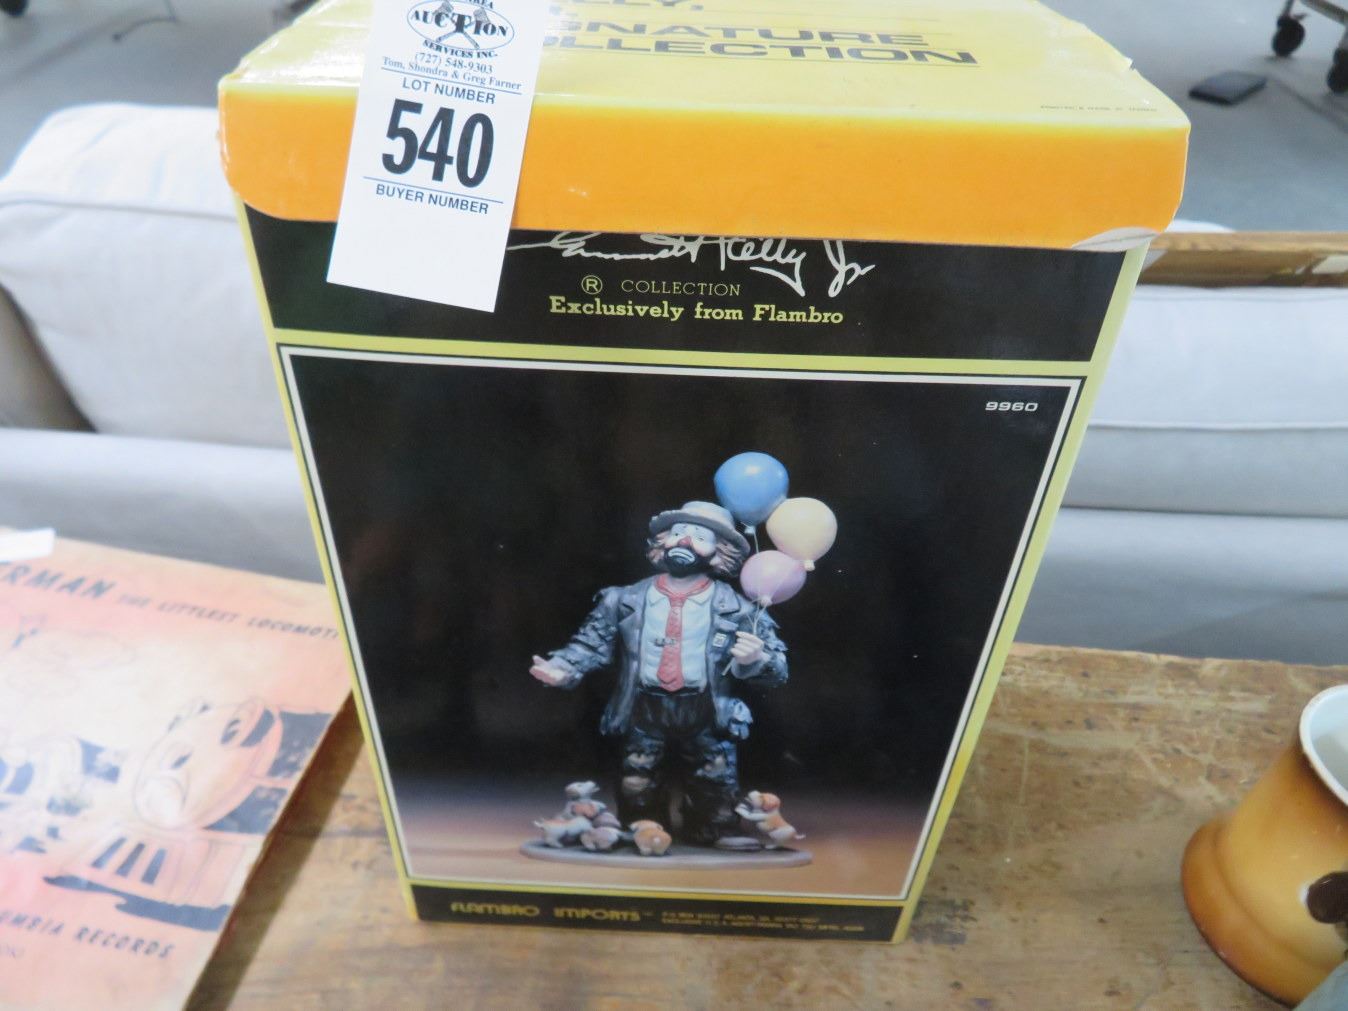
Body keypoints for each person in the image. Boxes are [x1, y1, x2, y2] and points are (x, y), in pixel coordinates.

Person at [530, 501, 788, 846]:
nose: (685, 541)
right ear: (663, 540)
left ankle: (714, 828)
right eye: (678, 533)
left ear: (720, 551)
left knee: (714, 775)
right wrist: (562, 667)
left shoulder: (738, 608)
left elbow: (777, 667)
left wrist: (754, 659)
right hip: (644, 706)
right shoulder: (624, 600)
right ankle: (643, 828)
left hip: (706, 708)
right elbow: (591, 643)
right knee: (637, 777)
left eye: (700, 537)